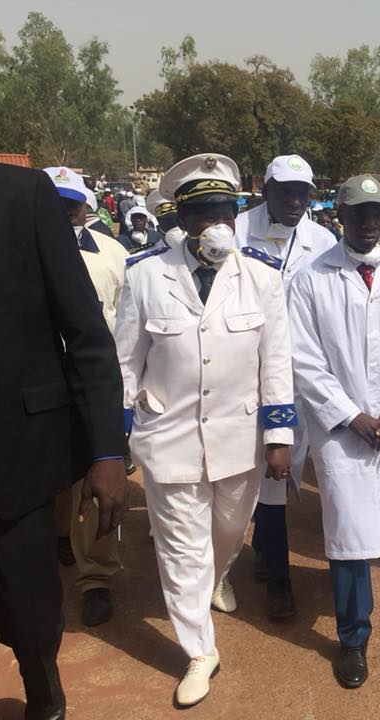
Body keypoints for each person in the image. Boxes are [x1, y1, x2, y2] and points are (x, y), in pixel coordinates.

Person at [0, 153, 128, 719]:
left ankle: (44, 697)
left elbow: (86, 333)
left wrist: (106, 450)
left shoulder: (17, 194)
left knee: (25, 601)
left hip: (8, 441)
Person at [114, 154, 295, 707]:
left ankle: (216, 579)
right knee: (181, 549)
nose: (217, 221)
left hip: (238, 440)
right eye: (204, 211)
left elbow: (276, 361)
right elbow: (124, 363)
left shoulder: (262, 277)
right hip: (166, 437)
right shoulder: (146, 276)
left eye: (226, 209)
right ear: (183, 219)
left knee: (225, 534)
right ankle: (199, 650)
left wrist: (279, 436)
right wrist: (115, 438)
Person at [286, 174, 380, 688]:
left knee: (378, 525)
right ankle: (354, 638)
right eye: (359, 215)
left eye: (377, 213)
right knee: (349, 529)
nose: (370, 223)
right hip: (342, 429)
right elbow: (303, 360)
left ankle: (354, 608)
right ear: (339, 218)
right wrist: (351, 415)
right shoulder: (311, 279)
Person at [234, 154, 337, 618]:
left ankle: (279, 555)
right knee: (268, 476)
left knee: (308, 467)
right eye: (285, 192)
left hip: (308, 371)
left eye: (303, 193)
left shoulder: (322, 239)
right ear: (265, 191)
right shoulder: (237, 233)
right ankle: (277, 577)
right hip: (251, 372)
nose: (295, 201)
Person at [45, 167, 129, 627]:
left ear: (86, 207)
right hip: (38, 385)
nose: (64, 213)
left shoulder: (115, 255)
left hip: (95, 386)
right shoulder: (14, 254)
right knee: (54, 483)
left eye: (71, 204)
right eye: (54, 204)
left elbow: (126, 321)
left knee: (96, 482)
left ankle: (96, 577)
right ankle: (61, 534)